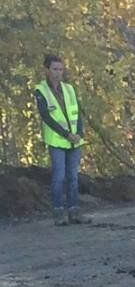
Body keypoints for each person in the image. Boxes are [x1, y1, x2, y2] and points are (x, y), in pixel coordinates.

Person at [35, 55, 84, 226]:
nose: (58, 73)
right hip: (57, 141)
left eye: (61, 69)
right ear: (47, 70)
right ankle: (58, 212)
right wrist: (66, 134)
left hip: (74, 141)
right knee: (59, 177)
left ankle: (74, 211)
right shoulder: (41, 90)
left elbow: (78, 113)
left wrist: (79, 133)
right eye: (55, 69)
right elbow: (46, 117)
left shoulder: (69, 89)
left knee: (73, 177)